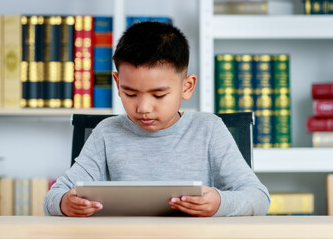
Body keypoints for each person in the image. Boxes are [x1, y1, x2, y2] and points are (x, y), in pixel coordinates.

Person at [43, 21, 270, 217]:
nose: (143, 108)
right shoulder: (106, 133)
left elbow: (259, 197)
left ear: (187, 86)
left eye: (159, 95)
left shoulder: (209, 130)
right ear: (117, 83)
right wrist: (65, 203)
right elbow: (54, 195)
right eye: (130, 93)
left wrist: (219, 203)